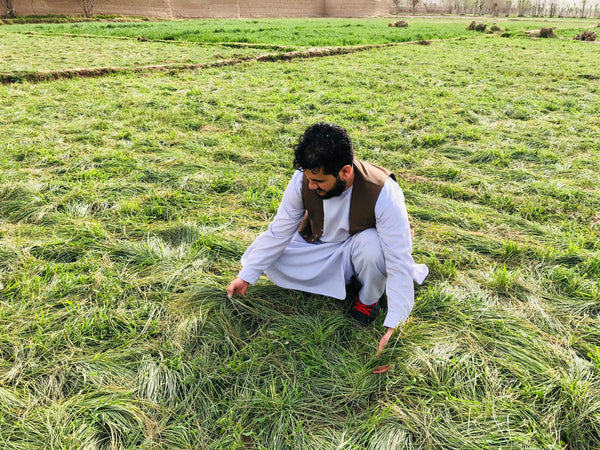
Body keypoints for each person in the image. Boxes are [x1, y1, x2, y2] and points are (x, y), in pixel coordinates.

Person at [227, 123, 428, 357]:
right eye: (309, 179)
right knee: (270, 255)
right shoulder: (304, 179)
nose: (311, 186)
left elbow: (398, 258)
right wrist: (247, 276)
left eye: (319, 182)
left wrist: (394, 323)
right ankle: (350, 279)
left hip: (360, 249)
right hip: (318, 245)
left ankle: (368, 298)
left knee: (374, 249)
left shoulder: (384, 192)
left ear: (345, 172)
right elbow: (279, 231)